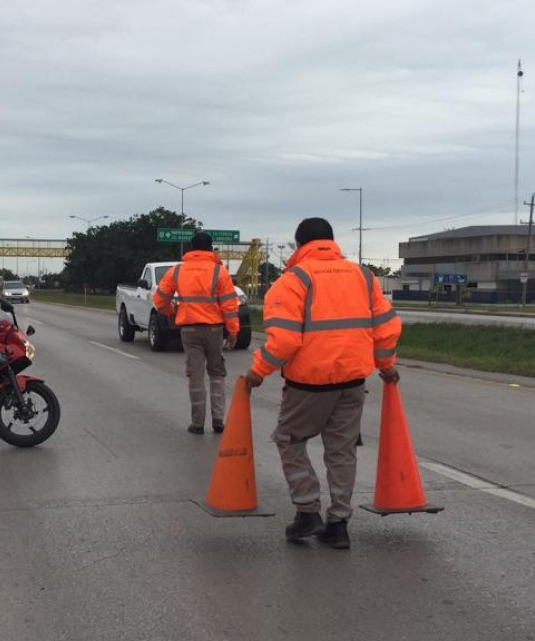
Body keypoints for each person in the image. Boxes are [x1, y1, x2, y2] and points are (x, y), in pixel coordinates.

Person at [244, 217, 401, 548]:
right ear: (332, 242)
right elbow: (386, 328)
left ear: (300, 245)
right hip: (353, 381)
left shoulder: (293, 280)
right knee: (342, 451)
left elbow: (284, 340)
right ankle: (339, 524)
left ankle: (307, 512)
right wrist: (386, 366)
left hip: (309, 385)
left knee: (289, 440)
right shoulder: (363, 276)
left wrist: (257, 372)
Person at [153, 231, 240, 434]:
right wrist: (233, 330)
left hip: (189, 330)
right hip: (214, 330)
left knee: (196, 376)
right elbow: (229, 305)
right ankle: (218, 420)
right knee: (217, 373)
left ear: (191, 248)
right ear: (211, 249)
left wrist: (172, 313)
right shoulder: (220, 272)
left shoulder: (177, 271)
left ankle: (198, 423)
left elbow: (159, 300)